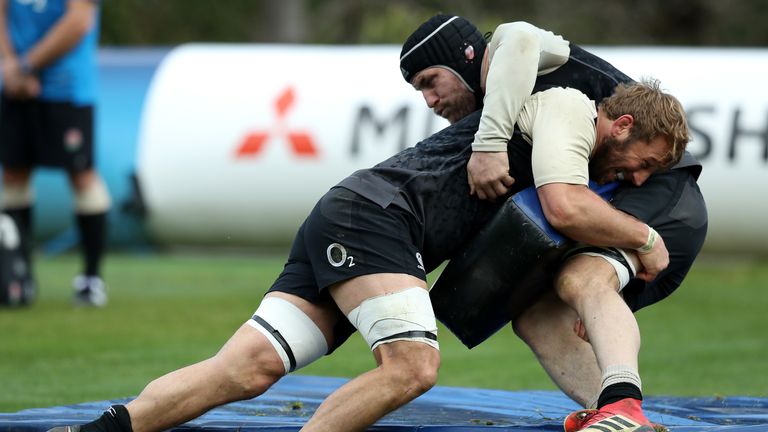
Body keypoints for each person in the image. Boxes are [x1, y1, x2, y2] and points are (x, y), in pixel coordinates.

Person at [46, 75, 687, 432]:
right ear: (623, 123)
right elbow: (565, 207)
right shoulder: (573, 108)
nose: (637, 181)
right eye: (646, 164)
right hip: (377, 219)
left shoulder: (564, 140)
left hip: (357, 215)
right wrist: (646, 237)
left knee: (243, 371)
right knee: (412, 366)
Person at [400, 14, 706, 431]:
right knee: (535, 317)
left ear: (464, 60)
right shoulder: (515, 103)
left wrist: (488, 145)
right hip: (637, 203)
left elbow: (521, 35)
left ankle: (624, 406)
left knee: (582, 278)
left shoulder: (508, 53)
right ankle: (617, 417)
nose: (431, 100)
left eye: (430, 82)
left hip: (666, 200)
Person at [0, 0, 111, 306]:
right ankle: (18, 275)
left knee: (81, 175)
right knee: (13, 173)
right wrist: (11, 65)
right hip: (14, 84)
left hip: (67, 86)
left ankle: (91, 278)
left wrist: (26, 65)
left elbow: (79, 21)